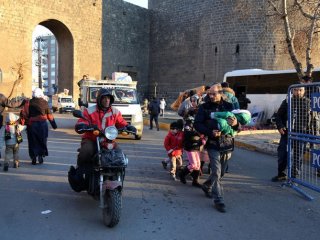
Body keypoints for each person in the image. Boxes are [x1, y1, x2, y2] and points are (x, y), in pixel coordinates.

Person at [68, 88, 136, 192]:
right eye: (104, 98)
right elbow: (82, 120)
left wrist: (128, 126)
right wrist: (82, 125)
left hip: (108, 140)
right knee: (86, 150)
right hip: (92, 139)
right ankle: (79, 170)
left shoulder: (115, 112)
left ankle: (117, 178)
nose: (107, 100)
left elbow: (121, 122)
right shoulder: (90, 110)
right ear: (99, 99)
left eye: (108, 98)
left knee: (120, 156)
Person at [194, 83, 239, 213]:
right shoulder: (204, 107)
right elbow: (197, 124)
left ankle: (207, 185)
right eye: (209, 94)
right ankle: (218, 199)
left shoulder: (229, 107)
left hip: (227, 143)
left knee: (221, 172)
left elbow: (238, 124)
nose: (211, 96)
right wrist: (209, 132)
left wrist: (235, 123)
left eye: (214, 94)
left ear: (221, 93)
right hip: (213, 143)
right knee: (216, 171)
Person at [271, 86, 310, 182]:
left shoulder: (308, 103)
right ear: (292, 91)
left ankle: (294, 177)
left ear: (304, 91)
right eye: (296, 90)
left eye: (300, 90)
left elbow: (312, 120)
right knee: (283, 154)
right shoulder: (287, 101)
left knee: (298, 156)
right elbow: (278, 116)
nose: (298, 92)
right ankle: (282, 174)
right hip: (287, 133)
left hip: (301, 134)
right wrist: (280, 126)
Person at [26, 88, 57, 165]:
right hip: (42, 125)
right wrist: (54, 125)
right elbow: (49, 115)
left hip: (32, 125)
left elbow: (26, 114)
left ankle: (33, 157)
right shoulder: (45, 102)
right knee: (42, 140)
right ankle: (40, 155)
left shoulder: (29, 102)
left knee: (32, 141)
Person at [179, 111, 205, 187]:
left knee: (198, 165)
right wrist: (198, 133)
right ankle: (182, 174)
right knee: (193, 164)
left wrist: (202, 139)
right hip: (190, 147)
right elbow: (187, 134)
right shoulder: (188, 123)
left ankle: (195, 181)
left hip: (197, 146)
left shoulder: (199, 123)